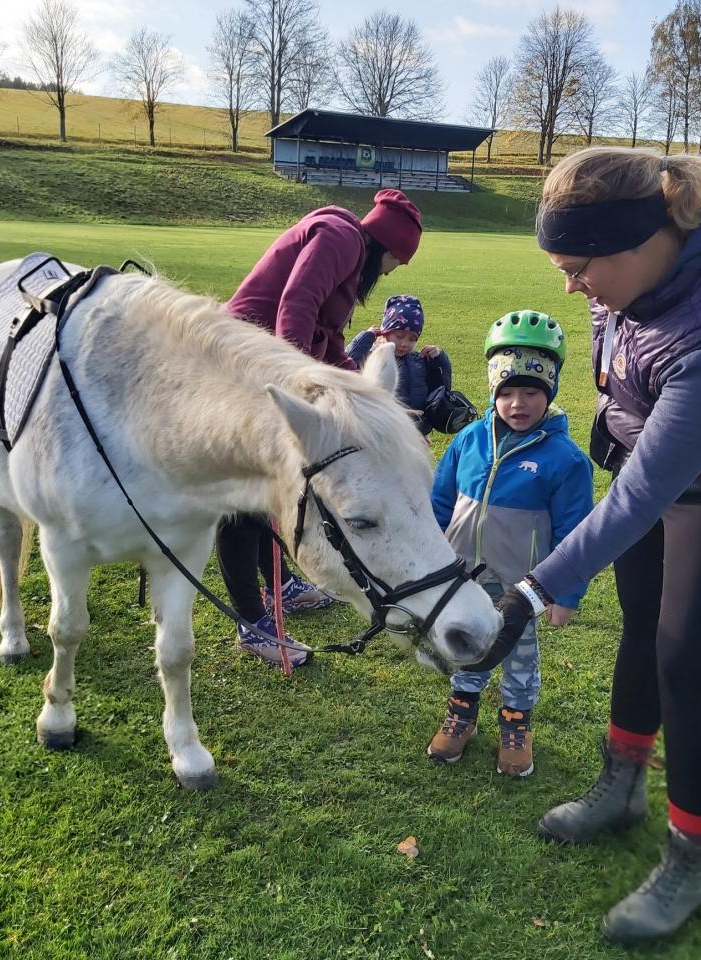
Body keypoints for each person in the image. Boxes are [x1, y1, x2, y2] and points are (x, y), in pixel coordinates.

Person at [475, 147, 701, 941]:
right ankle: (621, 787)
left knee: (685, 661)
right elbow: (621, 362)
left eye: (577, 269)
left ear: (634, 243)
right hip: (651, 465)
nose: (571, 287)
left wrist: (531, 591)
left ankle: (687, 862)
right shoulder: (629, 272)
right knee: (640, 629)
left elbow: (642, 496)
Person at [222, 189, 424, 669]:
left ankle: (279, 588)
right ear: (385, 246)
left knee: (270, 493)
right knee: (245, 498)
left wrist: (368, 397)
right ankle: (252, 624)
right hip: (245, 372)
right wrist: (298, 386)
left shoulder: (348, 258)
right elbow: (295, 307)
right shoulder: (340, 237)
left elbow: (329, 339)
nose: (391, 271)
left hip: (268, 372)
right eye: (397, 261)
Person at [427, 311, 593, 777]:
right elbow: (439, 501)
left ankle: (516, 725)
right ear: (492, 392)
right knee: (467, 644)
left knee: (519, 654)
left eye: (531, 392)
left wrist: (566, 593)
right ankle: (462, 712)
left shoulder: (565, 460)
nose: (518, 403)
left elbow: (576, 535)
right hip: (463, 577)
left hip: (524, 585)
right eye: (507, 392)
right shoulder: (468, 440)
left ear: (550, 391)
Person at [345, 295, 451, 435]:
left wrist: (440, 359)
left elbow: (442, 388)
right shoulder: (373, 358)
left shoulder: (419, 361)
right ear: (385, 332)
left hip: (417, 433)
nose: (404, 344)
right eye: (399, 336)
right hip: (382, 430)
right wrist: (364, 339)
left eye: (412, 339)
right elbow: (345, 364)